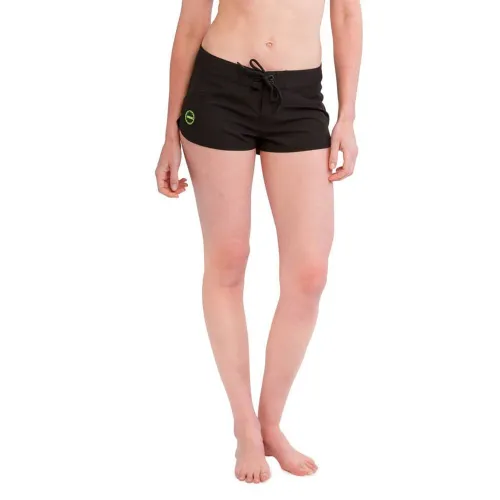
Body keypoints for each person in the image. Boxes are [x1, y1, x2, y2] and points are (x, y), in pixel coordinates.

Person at [155, 0, 362, 484]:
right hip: (218, 91)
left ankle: (270, 422)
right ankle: (245, 424)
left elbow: (347, 15)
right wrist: (169, 134)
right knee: (228, 259)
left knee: (309, 274)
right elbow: (191, 24)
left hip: (299, 97)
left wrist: (348, 117)